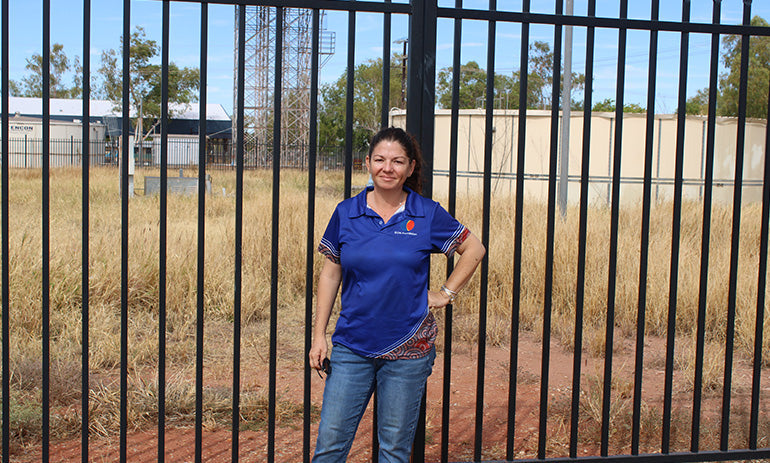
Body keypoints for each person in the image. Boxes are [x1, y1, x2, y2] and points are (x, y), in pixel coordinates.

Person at [309, 127, 486, 462]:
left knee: (393, 451)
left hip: (409, 350)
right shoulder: (346, 212)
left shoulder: (426, 212)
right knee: (330, 449)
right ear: (368, 163)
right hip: (352, 347)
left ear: (411, 167)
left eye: (397, 161)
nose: (387, 168)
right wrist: (319, 335)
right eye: (380, 160)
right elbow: (331, 272)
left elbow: (474, 249)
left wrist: (446, 292)